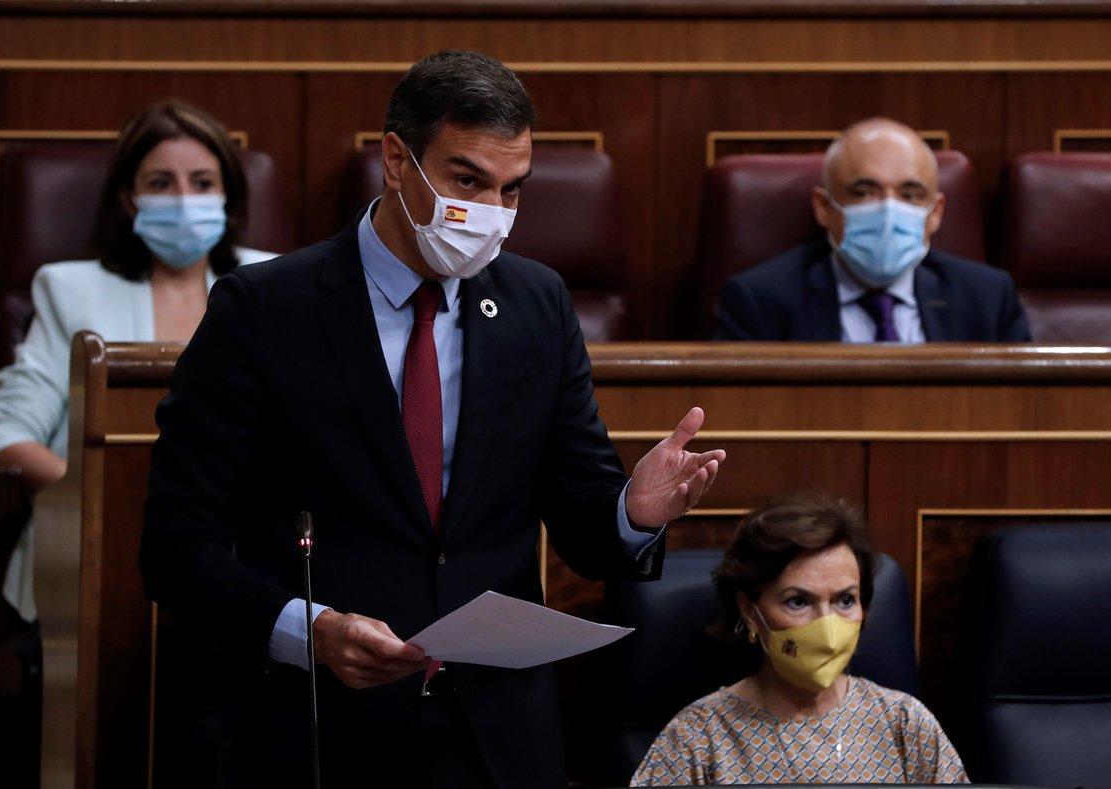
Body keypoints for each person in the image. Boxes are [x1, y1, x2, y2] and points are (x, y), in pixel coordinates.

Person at [139, 50, 725, 789]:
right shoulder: (263, 311)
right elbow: (174, 547)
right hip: (321, 726)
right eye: (467, 180)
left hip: (496, 735)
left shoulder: (538, 306)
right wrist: (309, 631)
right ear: (395, 159)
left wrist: (633, 513)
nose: (492, 213)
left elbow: (582, 518)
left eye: (513, 189)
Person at [0, 100, 275, 622]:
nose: (185, 199)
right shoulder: (69, 290)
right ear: (129, 198)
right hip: (91, 550)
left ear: (228, 198)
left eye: (202, 182)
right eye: (161, 184)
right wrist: (107, 505)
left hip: (239, 559)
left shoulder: (276, 285)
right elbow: (8, 432)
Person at [632, 493, 968, 785]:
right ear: (750, 610)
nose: (827, 626)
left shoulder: (904, 723)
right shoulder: (698, 738)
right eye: (798, 601)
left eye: (845, 600)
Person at [714, 117, 1030, 343]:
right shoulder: (759, 301)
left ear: (935, 213)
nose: (888, 209)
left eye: (909, 195)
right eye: (864, 192)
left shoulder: (988, 299)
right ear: (824, 208)